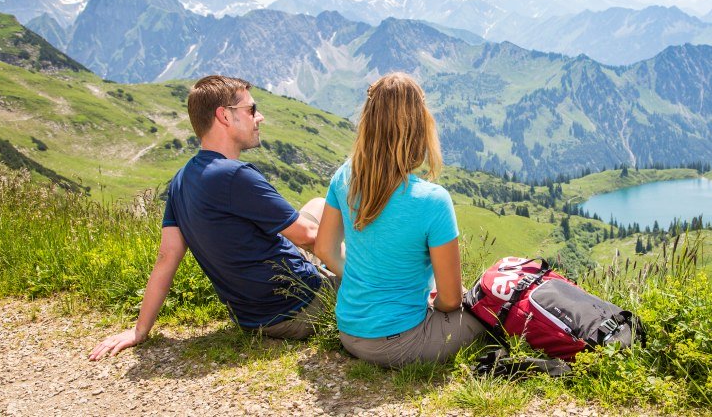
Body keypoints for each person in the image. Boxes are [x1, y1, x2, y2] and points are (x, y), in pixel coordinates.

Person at [89, 75, 334, 361]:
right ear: (224, 116)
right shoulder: (235, 175)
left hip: (250, 317)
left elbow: (167, 257)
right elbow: (308, 238)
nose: (260, 117)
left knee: (318, 204)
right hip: (299, 306)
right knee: (385, 278)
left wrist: (139, 330)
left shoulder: (181, 180)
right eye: (251, 110)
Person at [314, 72, 485, 367]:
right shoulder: (432, 200)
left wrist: (366, 281)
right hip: (400, 343)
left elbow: (324, 250)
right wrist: (433, 303)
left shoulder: (345, 176)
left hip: (349, 331)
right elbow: (450, 300)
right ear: (420, 127)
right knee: (489, 317)